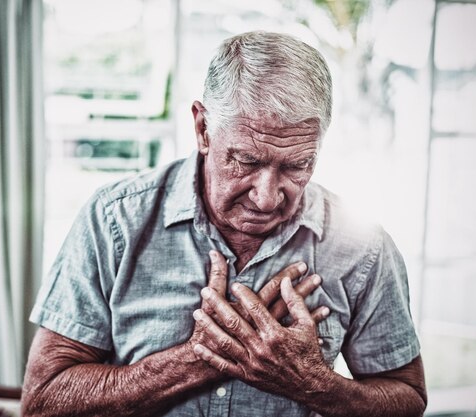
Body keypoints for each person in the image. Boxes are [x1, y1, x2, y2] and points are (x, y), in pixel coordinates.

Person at [22, 31, 427, 416]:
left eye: (297, 165)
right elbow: (43, 402)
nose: (267, 197)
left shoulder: (364, 248)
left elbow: (407, 398)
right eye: (246, 161)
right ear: (202, 128)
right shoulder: (115, 220)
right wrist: (198, 358)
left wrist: (311, 382)